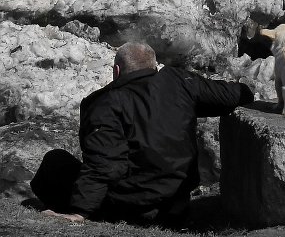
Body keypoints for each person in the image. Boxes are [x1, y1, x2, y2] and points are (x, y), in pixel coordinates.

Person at [31, 41, 254, 226]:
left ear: (117, 71)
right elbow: (231, 95)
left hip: (130, 206)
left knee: (55, 162)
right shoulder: (179, 82)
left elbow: (106, 163)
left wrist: (80, 212)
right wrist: (245, 92)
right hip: (176, 204)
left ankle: (99, 210)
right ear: (154, 66)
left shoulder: (103, 103)